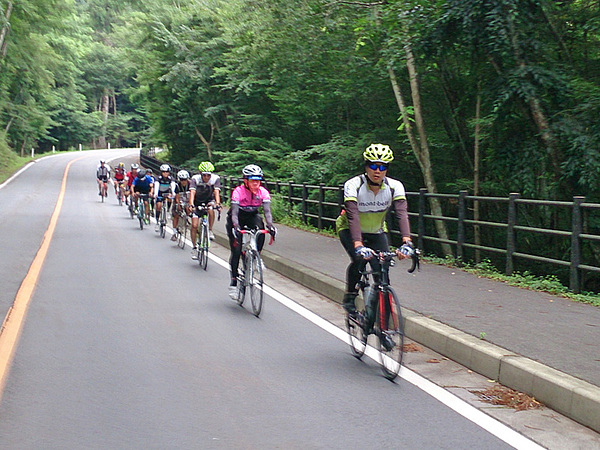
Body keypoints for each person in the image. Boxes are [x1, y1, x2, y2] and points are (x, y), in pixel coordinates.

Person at [336, 143, 413, 321]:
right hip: (349, 229)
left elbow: (402, 213)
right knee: (360, 260)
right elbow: (353, 215)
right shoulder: (354, 185)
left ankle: (383, 324)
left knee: (382, 273)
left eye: (382, 167)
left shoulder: (395, 186)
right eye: (373, 165)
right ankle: (350, 298)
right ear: (366, 166)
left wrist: (407, 242)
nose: (377, 171)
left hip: (376, 231)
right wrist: (358, 245)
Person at [226, 164, 277, 299]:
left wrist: (271, 226)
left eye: (258, 180)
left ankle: (256, 256)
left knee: (261, 228)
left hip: (252, 216)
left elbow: (267, 212)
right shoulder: (238, 191)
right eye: (252, 180)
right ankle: (233, 282)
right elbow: (234, 213)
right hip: (237, 217)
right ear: (245, 181)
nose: (256, 183)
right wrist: (236, 227)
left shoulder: (263, 192)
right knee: (236, 251)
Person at [189, 161, 222, 258]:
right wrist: (191, 204)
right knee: (194, 226)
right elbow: (192, 193)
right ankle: (194, 247)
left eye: (208, 175)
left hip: (209, 200)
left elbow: (216, 192)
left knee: (211, 209)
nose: (206, 177)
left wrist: (218, 204)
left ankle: (210, 230)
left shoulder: (215, 179)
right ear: (200, 173)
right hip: (197, 202)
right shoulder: (195, 179)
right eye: (204, 175)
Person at [153, 164, 177, 232]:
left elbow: (173, 186)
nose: (165, 173)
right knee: (158, 206)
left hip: (167, 192)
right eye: (164, 172)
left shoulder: (171, 178)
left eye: (167, 172)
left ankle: (168, 211)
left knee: (170, 198)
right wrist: (155, 194)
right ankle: (157, 221)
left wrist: (173, 193)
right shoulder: (158, 178)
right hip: (159, 193)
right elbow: (156, 186)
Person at [171, 169, 191, 241]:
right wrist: (178, 204)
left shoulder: (191, 185)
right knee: (176, 214)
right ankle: (174, 232)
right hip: (179, 200)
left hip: (188, 200)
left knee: (189, 208)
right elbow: (177, 197)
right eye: (182, 180)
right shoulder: (177, 186)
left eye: (185, 180)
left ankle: (188, 218)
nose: (183, 182)